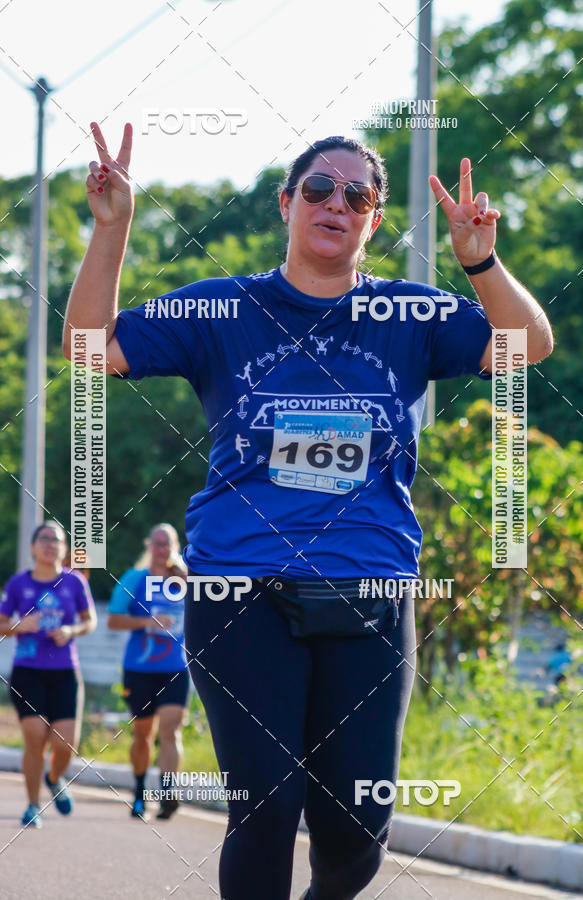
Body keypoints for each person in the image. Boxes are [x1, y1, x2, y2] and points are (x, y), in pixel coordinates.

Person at [63, 123, 553, 899]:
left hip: (372, 591)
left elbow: (527, 345)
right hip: (239, 588)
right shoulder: (225, 308)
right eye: (319, 189)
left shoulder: (413, 316)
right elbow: (91, 348)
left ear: (375, 220)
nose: (337, 203)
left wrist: (479, 261)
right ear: (287, 203)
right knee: (265, 806)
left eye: (357, 194)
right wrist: (113, 227)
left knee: (358, 825)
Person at [0, 521, 97, 828]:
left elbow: (90, 620)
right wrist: (18, 627)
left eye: (56, 540)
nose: (50, 544)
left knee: (65, 743)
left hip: (65, 670)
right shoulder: (17, 584)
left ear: (64, 548)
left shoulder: (75, 582)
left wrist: (71, 630)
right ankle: (32, 805)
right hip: (28, 671)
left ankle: (54, 778)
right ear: (32, 547)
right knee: (35, 736)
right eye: (43, 539)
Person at [107, 523, 189, 820]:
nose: (162, 549)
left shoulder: (184, 580)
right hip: (139, 668)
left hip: (175, 668)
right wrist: (147, 623)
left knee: (171, 729)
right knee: (143, 734)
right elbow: (113, 621)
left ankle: (168, 794)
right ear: (148, 546)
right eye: (157, 543)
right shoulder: (134, 578)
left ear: (175, 546)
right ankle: (140, 791)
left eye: (167, 543)